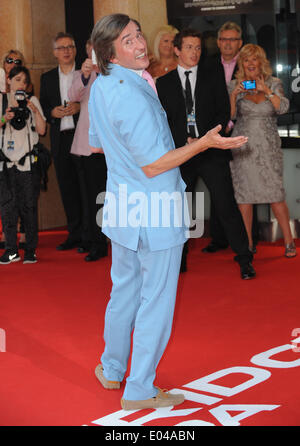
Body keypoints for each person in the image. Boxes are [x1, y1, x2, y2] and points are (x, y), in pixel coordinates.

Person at [89, 14, 248, 411]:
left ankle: (111, 369)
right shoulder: (128, 93)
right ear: (111, 52)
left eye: (138, 34)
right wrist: (206, 143)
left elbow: (99, 145)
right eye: (128, 40)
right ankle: (139, 388)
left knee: (124, 290)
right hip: (153, 212)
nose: (140, 44)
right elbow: (155, 164)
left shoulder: (103, 84)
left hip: (124, 207)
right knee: (155, 299)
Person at [156, 29, 255, 279]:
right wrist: (185, 143)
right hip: (181, 154)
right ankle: (179, 260)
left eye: (198, 47)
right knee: (179, 208)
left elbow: (223, 113)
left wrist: (205, 139)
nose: (194, 52)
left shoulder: (212, 76)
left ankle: (245, 258)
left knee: (225, 204)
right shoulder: (163, 83)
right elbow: (162, 122)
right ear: (177, 50)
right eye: (189, 47)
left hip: (211, 151)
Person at [228, 43, 297, 258]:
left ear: (261, 62)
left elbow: (283, 107)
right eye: (246, 59)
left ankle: (288, 241)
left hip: (268, 147)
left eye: (254, 59)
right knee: (244, 198)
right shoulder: (233, 85)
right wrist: (234, 96)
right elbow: (229, 116)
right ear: (242, 63)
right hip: (243, 146)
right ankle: (247, 244)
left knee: (276, 195)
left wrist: (266, 91)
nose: (250, 63)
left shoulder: (274, 83)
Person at [40, 32, 84, 251]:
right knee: (67, 189)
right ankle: (74, 234)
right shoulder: (47, 78)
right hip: (60, 140)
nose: (66, 51)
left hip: (82, 138)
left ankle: (90, 235)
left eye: (70, 46)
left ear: (75, 50)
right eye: (62, 48)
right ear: (54, 53)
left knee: (85, 187)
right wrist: (52, 113)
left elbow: (97, 102)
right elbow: (44, 107)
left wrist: (79, 108)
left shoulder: (85, 74)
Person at [0, 66, 46, 264]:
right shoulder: (2, 102)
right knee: (7, 208)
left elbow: (42, 130)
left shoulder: (32, 101)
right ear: (8, 80)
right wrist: (4, 118)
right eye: (16, 79)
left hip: (27, 164)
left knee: (29, 207)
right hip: (6, 164)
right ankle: (11, 250)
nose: (20, 84)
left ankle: (30, 250)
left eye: (23, 81)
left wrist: (33, 109)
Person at [68, 40, 107, 261]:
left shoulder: (114, 70)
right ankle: (97, 242)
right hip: (90, 147)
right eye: (92, 48)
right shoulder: (81, 74)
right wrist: (84, 76)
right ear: (87, 50)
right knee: (93, 198)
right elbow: (73, 95)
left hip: (115, 147)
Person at [0, 50, 29, 250]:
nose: (12, 63)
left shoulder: (26, 94)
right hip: (3, 152)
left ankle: (25, 232)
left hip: (23, 153)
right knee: (6, 196)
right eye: (9, 60)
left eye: (17, 61)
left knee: (23, 195)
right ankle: (8, 233)